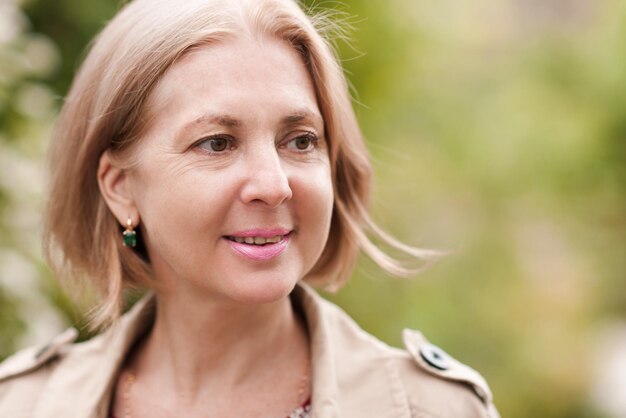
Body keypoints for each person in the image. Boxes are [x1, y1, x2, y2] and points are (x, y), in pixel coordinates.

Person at [0, 0, 499, 416]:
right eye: (217, 143)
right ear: (120, 186)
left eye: (301, 140)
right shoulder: (21, 404)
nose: (274, 185)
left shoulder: (433, 408)